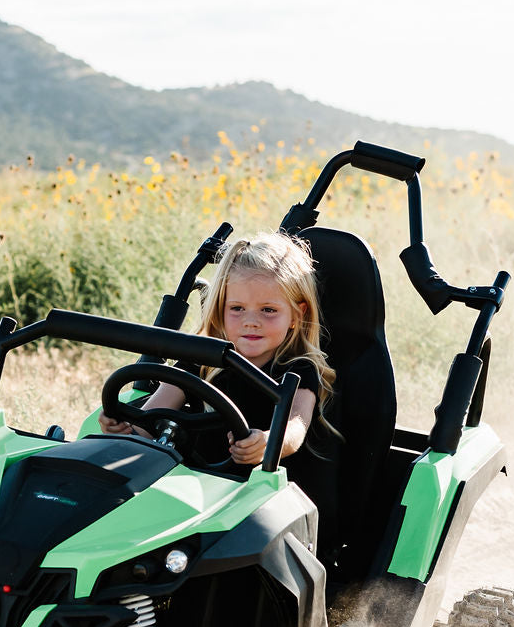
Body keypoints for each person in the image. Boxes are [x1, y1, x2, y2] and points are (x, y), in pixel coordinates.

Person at [99, 231, 338, 541]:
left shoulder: (297, 370)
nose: (251, 321)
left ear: (296, 315)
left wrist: (268, 442)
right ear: (221, 309)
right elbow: (150, 417)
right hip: (192, 493)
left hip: (261, 505)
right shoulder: (201, 359)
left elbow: (295, 426)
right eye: (237, 308)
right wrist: (124, 426)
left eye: (268, 310)